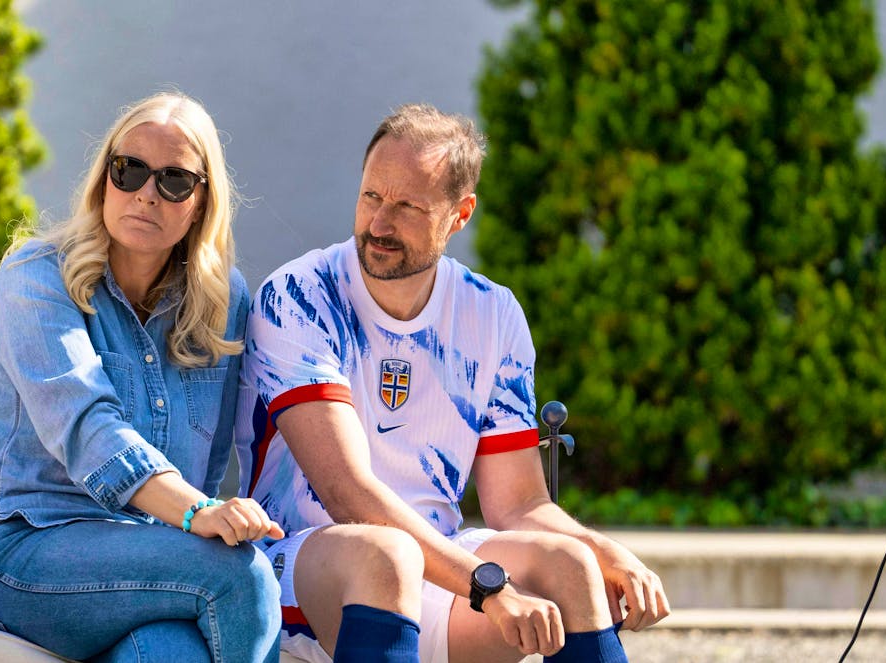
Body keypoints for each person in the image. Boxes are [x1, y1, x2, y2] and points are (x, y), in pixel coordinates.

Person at [236, 103, 670, 663]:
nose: (379, 223)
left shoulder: (492, 313)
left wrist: (607, 551)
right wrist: (489, 588)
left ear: (460, 214)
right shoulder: (299, 295)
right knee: (385, 555)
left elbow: (518, 504)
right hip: (302, 566)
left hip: (440, 565)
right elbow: (347, 496)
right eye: (371, 196)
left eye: (408, 206)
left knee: (571, 565)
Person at [0, 91, 284, 663]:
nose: (146, 194)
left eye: (174, 180)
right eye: (128, 170)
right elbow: (89, 430)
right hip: (20, 551)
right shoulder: (36, 278)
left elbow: (206, 469)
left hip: (146, 556)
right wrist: (196, 512)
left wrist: (202, 511)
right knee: (242, 575)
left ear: (202, 202)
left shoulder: (220, 301)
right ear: (104, 177)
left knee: (168, 652)